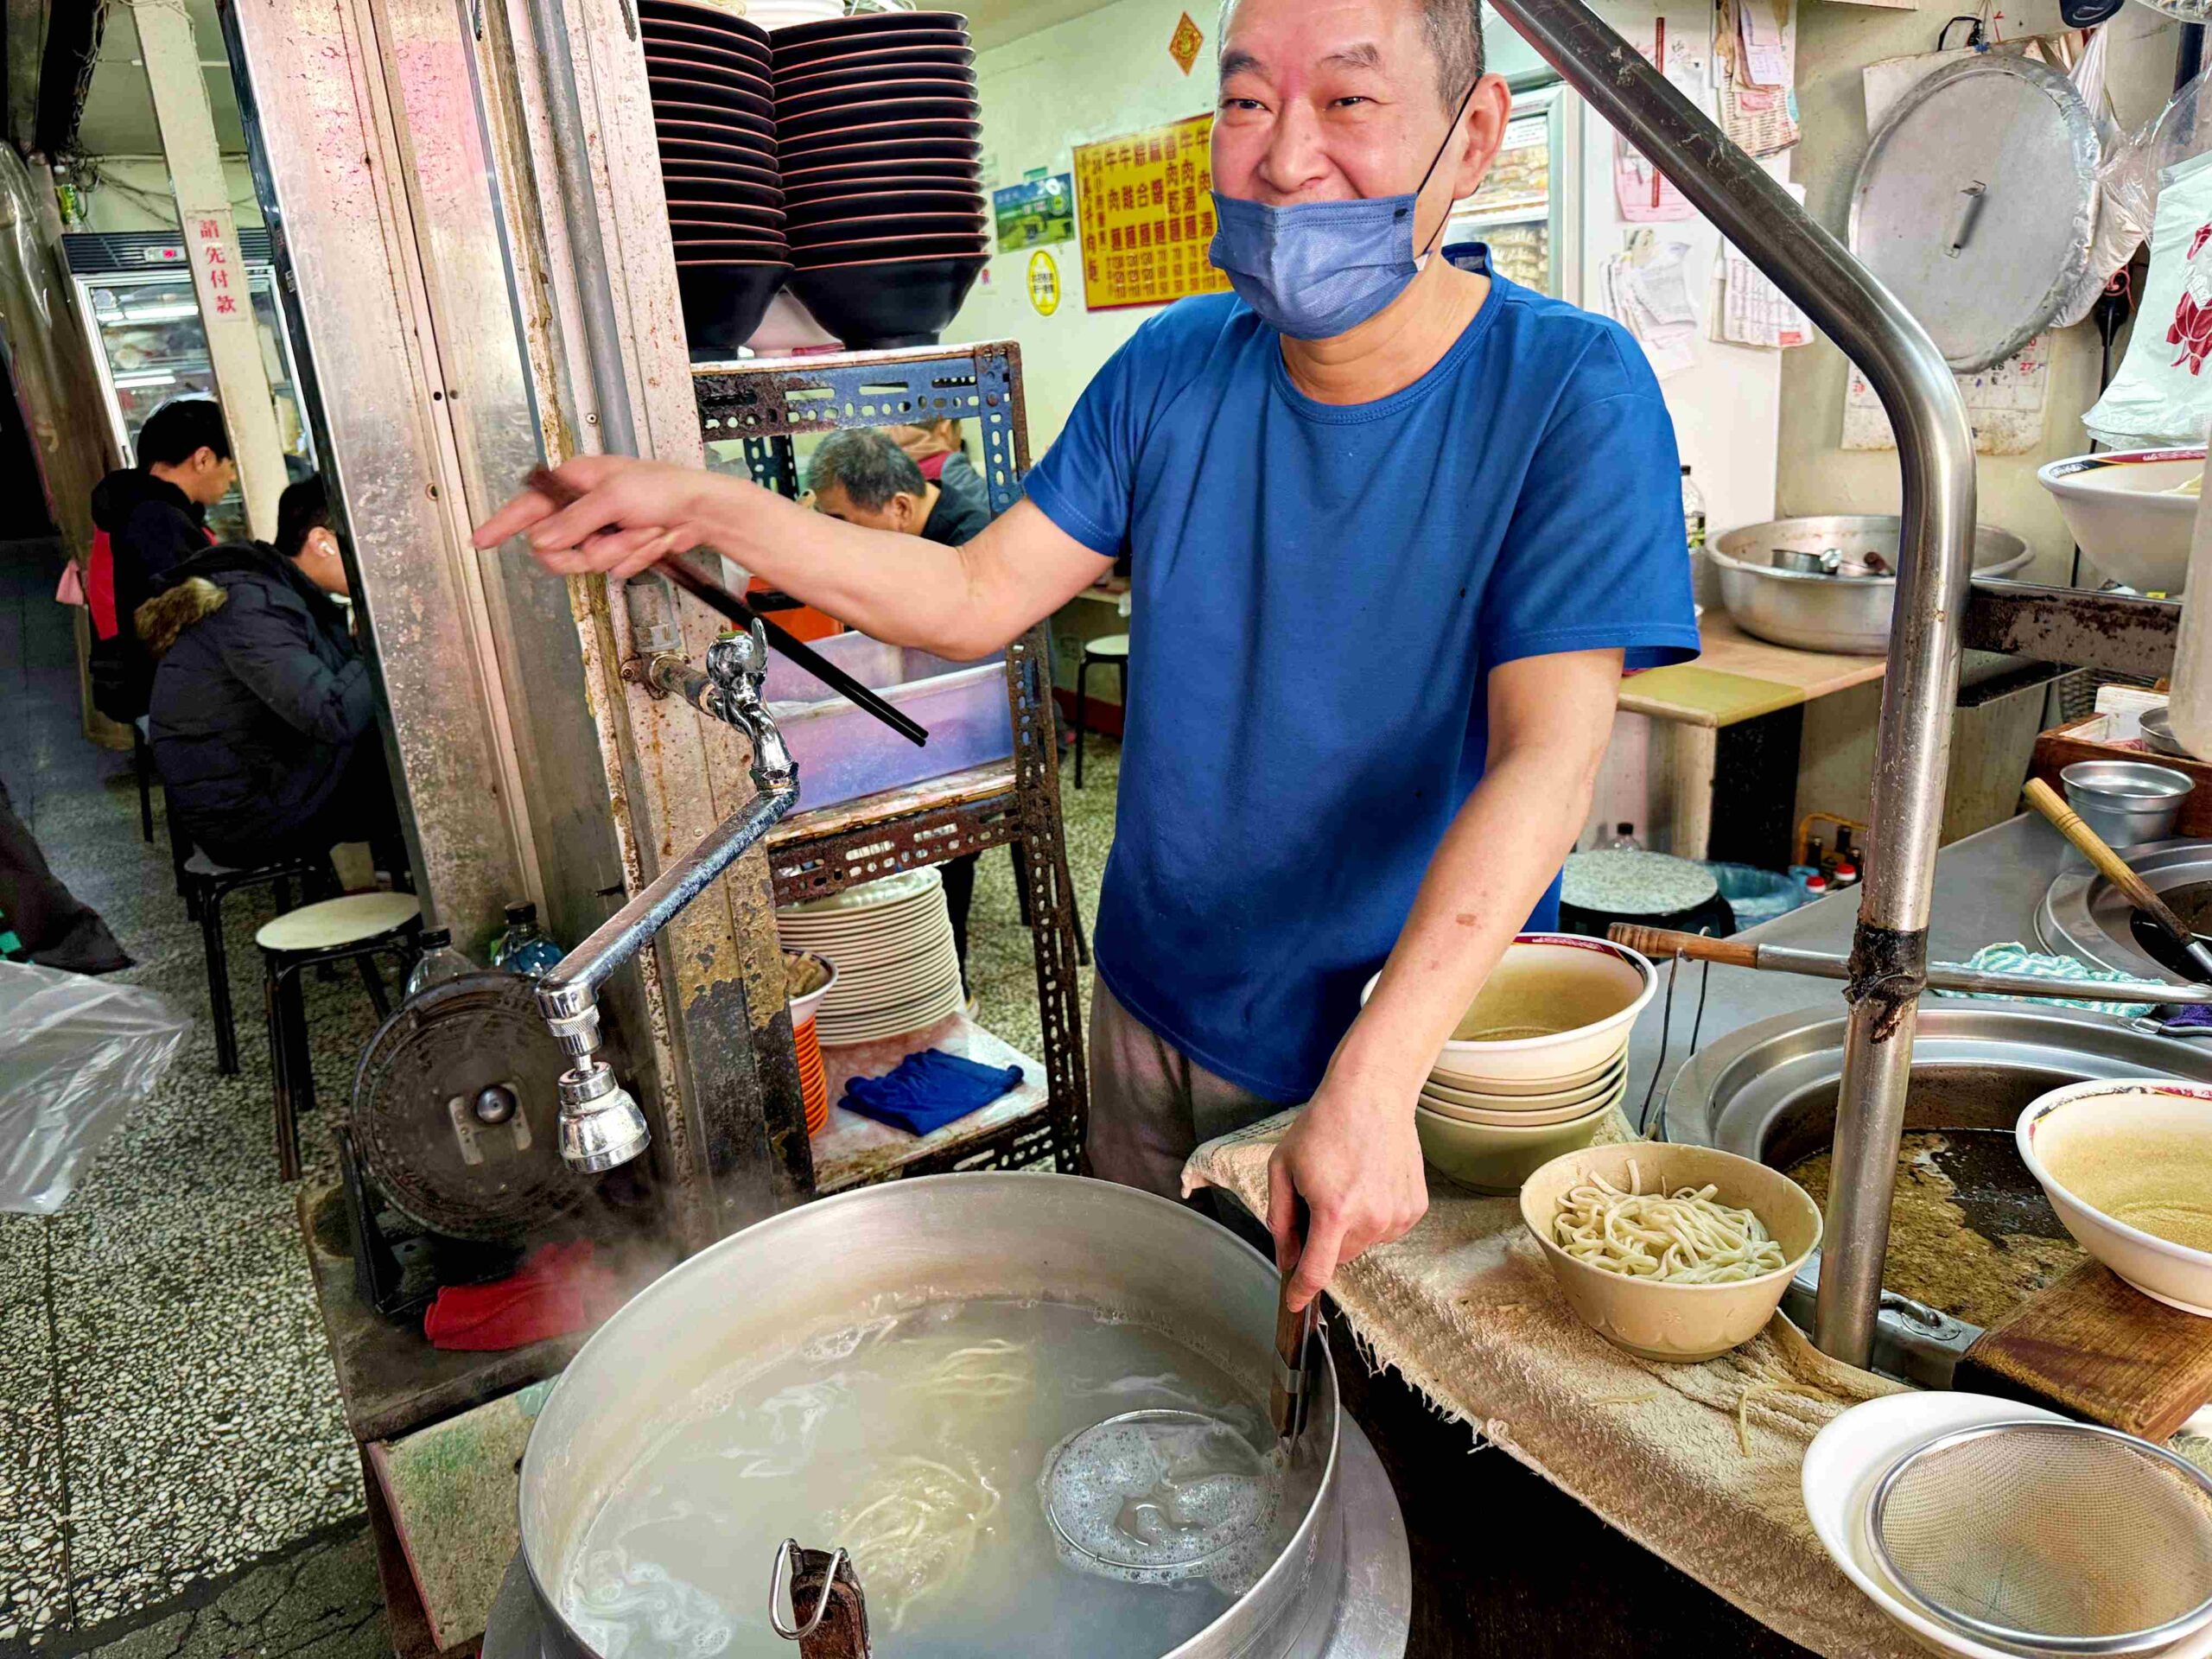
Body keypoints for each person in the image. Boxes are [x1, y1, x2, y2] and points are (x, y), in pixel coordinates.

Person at [475, 0, 1698, 1313]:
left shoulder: (1570, 389)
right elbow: (971, 592)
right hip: (1155, 1000)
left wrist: (1378, 1074)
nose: (1287, 158)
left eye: (1349, 101)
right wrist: (710, 507)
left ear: (1476, 133)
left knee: (1374, 1391)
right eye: (1246, 103)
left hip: (1410, 1049)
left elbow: (1546, 762)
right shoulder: (1174, 366)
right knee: (1161, 1352)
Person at [805, 429, 1001, 991]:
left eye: (841, 521)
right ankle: (870, 966)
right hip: (922, 719)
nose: (836, 537)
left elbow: (962, 671)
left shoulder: (971, 543)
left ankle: (945, 988)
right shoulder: (900, 534)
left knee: (936, 833)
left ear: (899, 506)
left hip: (987, 730)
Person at [138, 476, 406, 878]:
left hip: (268, 781)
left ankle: (399, 888)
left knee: (400, 752)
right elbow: (332, 715)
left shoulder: (281, 594)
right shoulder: (252, 606)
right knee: (416, 772)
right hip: (243, 817)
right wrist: (381, 636)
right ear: (322, 541)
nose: (386, 561)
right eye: (376, 545)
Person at [87, 397, 234, 724]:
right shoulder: (156, 520)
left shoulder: (139, 505)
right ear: (203, 458)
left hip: (145, 686)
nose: (233, 478)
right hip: (164, 696)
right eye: (231, 464)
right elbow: (187, 622)